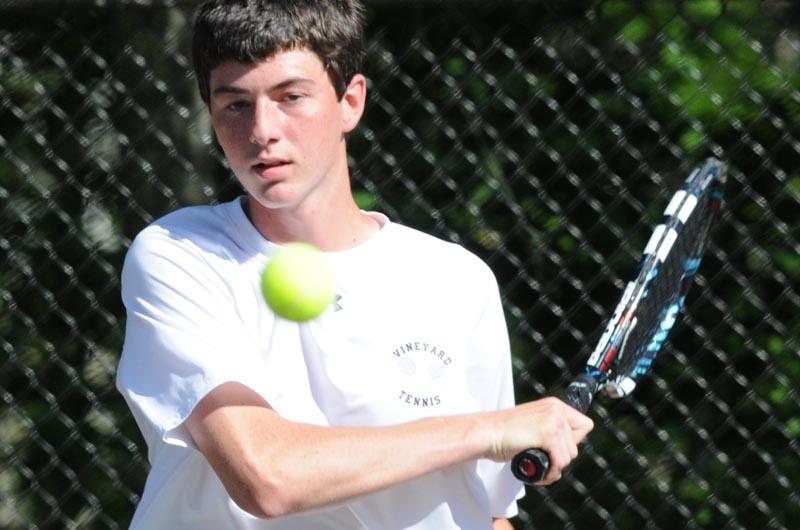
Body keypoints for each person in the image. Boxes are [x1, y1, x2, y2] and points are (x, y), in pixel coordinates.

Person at [115, 1, 594, 529]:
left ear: (350, 101)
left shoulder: (457, 281)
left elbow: (478, 513)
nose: (262, 130)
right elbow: (267, 477)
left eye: (290, 97)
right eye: (235, 104)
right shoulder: (179, 254)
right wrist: (488, 429)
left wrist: (492, 435)